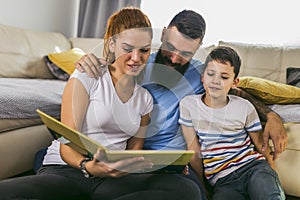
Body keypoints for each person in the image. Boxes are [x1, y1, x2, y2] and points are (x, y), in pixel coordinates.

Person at [0, 8, 202, 200]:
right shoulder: (89, 75)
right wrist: (87, 166)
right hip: (69, 171)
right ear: (112, 44)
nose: (136, 58)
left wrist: (151, 166)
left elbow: (134, 152)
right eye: (128, 49)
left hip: (113, 179)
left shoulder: (144, 98)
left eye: (144, 50)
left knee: (187, 190)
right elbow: (66, 140)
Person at [76, 9, 287, 160]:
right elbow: (100, 79)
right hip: (127, 154)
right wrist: (91, 61)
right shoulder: (136, 63)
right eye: (171, 47)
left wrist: (272, 116)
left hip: (172, 162)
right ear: (164, 33)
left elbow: (236, 92)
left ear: (198, 48)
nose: (175, 59)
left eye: (185, 54)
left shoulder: (200, 74)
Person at [179, 46, 285, 199]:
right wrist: (203, 187)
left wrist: (272, 176)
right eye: (210, 74)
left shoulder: (244, 106)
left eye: (224, 77)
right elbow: (194, 150)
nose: (215, 81)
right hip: (222, 180)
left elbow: (262, 146)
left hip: (253, 167)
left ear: (234, 82)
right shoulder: (188, 105)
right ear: (202, 76)